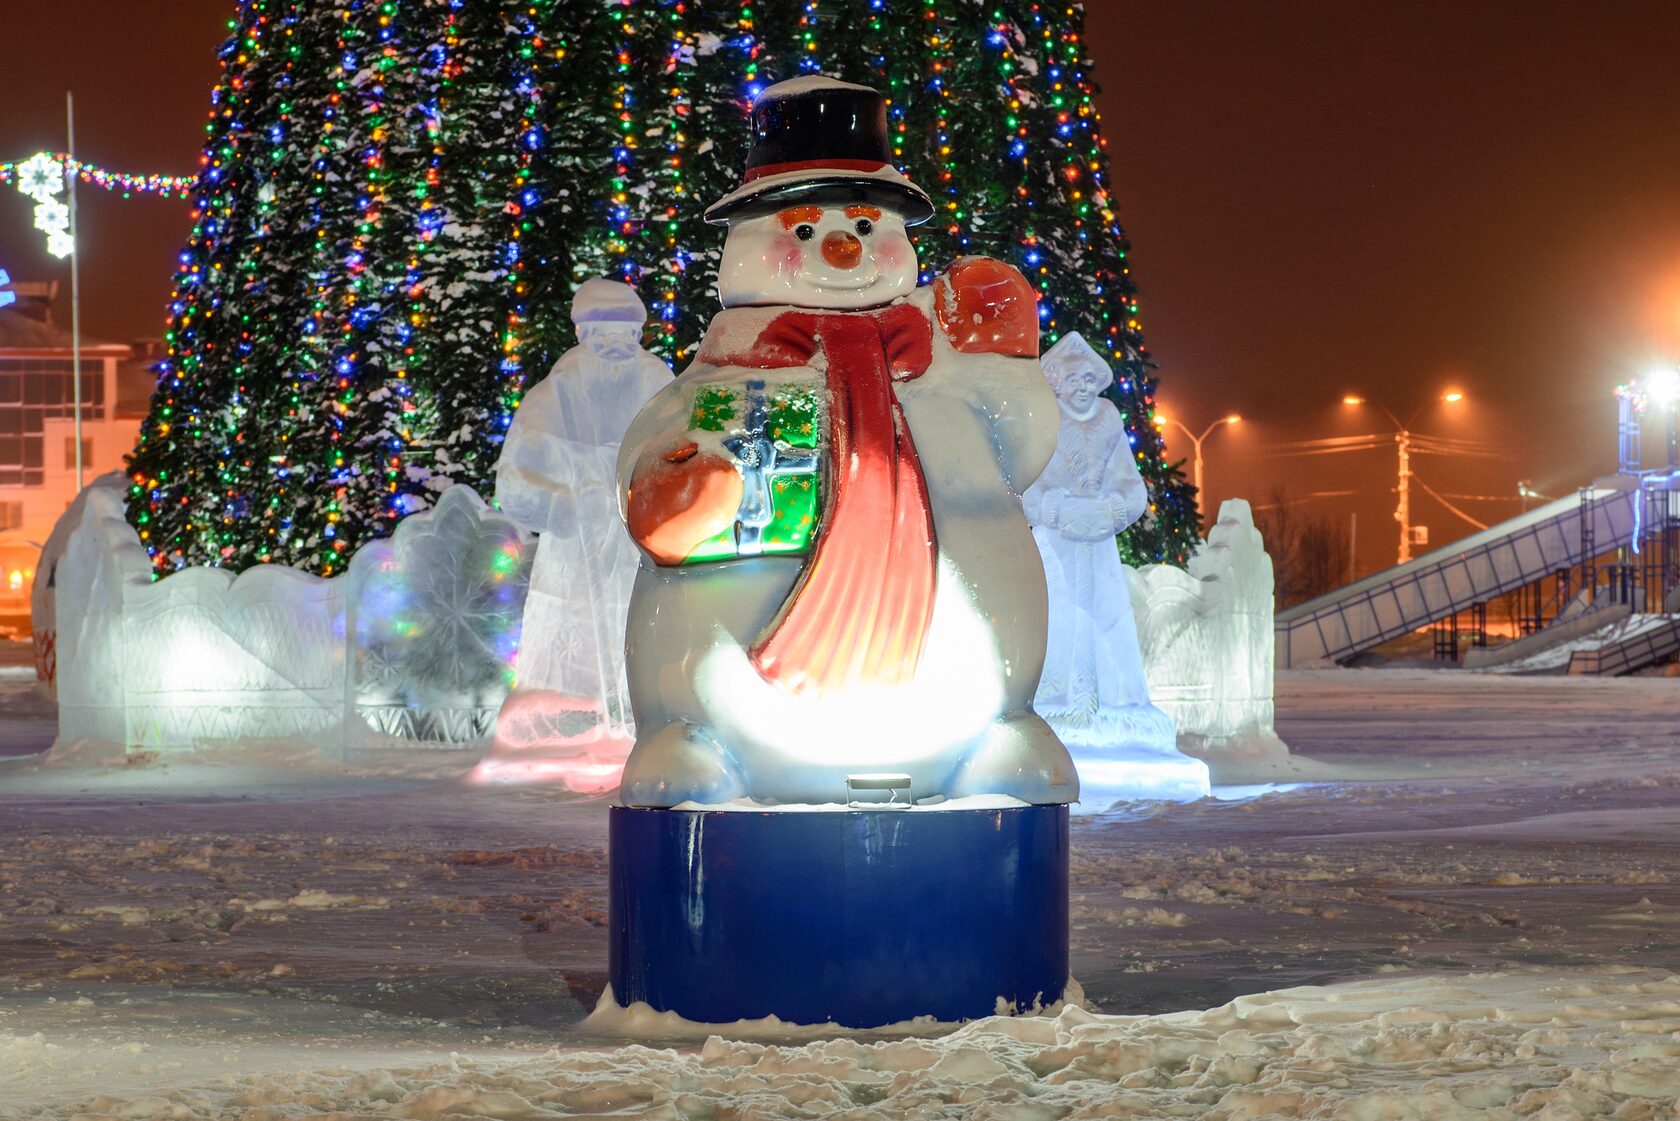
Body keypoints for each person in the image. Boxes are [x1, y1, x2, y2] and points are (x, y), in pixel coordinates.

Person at [489, 279, 672, 755]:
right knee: (568, 659)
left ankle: (649, 726)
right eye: (603, 336)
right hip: (572, 558)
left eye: (625, 336)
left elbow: (682, 450)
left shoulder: (657, 384)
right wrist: (562, 503)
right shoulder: (555, 394)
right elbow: (514, 480)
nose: (616, 348)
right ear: (582, 334)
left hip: (640, 545)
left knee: (644, 635)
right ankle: (564, 733)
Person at [1025, 332, 1203, 807]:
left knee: (1109, 620)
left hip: (1100, 544)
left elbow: (1131, 484)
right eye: (1074, 379)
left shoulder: (1108, 421)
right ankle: (1053, 704)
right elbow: (1024, 483)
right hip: (1058, 544)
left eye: (1090, 379)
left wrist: (1111, 509)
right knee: (1057, 621)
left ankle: (1119, 704)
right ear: (1057, 382)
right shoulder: (1042, 421)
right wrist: (1056, 509)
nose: (1083, 387)